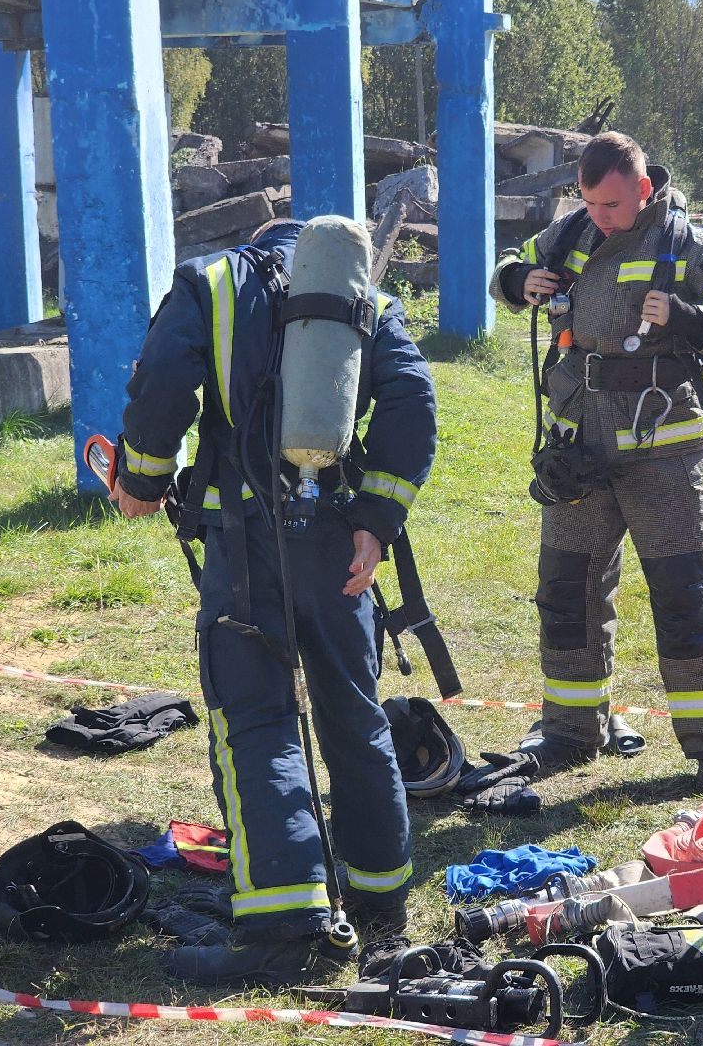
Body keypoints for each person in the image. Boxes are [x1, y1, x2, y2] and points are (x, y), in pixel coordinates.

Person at [111, 216, 437, 986]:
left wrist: (143, 481)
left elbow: (162, 382)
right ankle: (381, 898)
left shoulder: (210, 282)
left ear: (259, 239)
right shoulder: (363, 298)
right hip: (337, 544)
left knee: (256, 719)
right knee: (354, 714)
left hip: (246, 545)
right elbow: (413, 403)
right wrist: (377, 521)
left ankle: (284, 929)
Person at [486, 132, 703, 793]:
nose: (599, 215)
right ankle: (569, 731)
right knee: (566, 592)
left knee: (685, 593)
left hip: (664, 453)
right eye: (587, 201)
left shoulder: (686, 244)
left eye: (612, 204)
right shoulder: (570, 235)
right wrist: (514, 281)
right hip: (576, 452)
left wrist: (692, 322)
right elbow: (509, 263)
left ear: (643, 190)